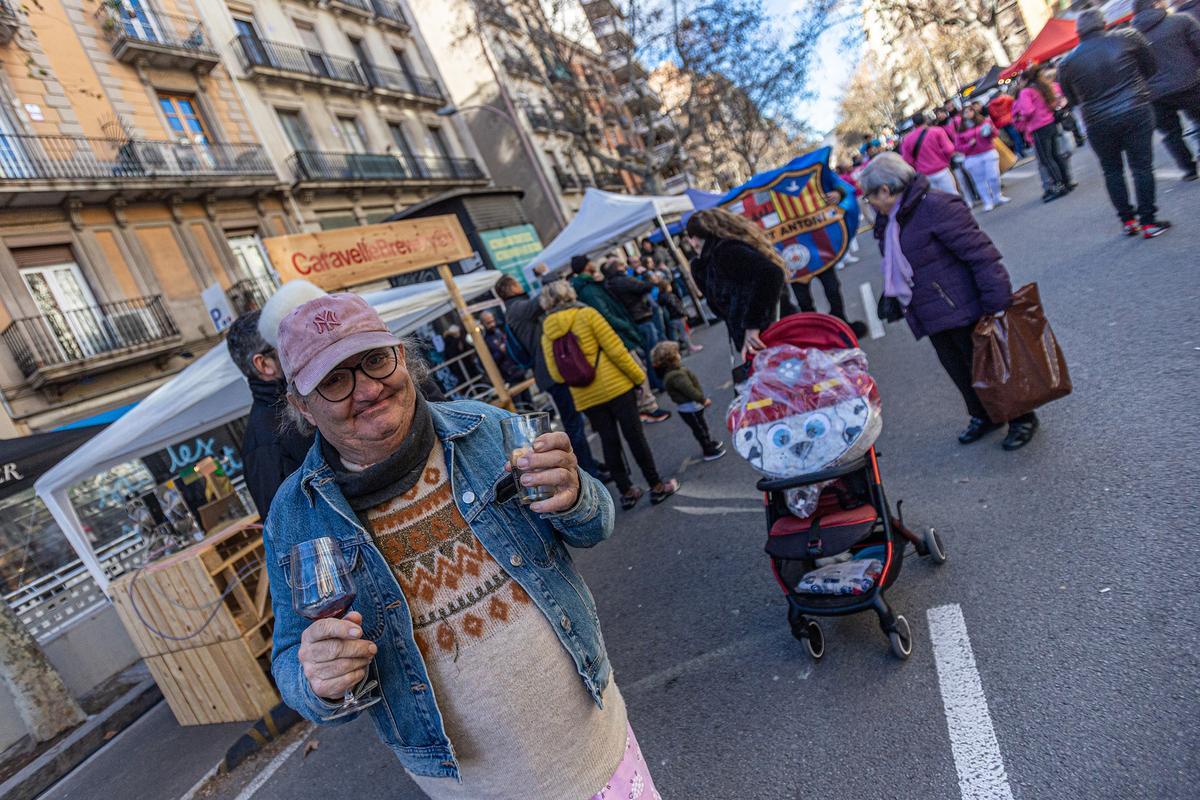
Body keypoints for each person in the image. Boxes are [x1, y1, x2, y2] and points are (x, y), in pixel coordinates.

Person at [263, 292, 661, 800]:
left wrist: (578, 494)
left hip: (593, 744)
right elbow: (289, 659)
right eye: (336, 380)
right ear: (303, 404)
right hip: (470, 788)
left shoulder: (487, 430)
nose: (367, 390)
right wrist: (318, 680)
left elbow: (596, 523)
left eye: (375, 361)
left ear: (402, 357)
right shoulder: (293, 515)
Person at [859, 152, 1038, 451]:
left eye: (870, 197)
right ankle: (984, 415)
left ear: (886, 190)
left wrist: (997, 301)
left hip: (963, 305)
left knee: (988, 366)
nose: (870, 203)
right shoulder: (891, 219)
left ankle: (1021, 417)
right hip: (932, 308)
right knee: (958, 368)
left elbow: (980, 254)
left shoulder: (936, 206)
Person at [539, 281, 679, 511]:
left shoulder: (547, 332)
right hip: (616, 386)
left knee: (608, 441)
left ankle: (627, 492)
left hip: (586, 396)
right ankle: (656, 485)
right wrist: (637, 377)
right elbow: (616, 349)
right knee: (635, 436)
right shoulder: (587, 314)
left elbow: (556, 373)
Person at [1060, 9, 1172, 237]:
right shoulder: (1128, 37)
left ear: (1079, 32)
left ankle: (1128, 221)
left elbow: (1071, 98)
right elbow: (1151, 66)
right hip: (1135, 108)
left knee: (1112, 171)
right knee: (1141, 167)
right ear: (1103, 23)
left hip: (1097, 120)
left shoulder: (1067, 63)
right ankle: (1148, 221)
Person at [495, 275, 603, 481]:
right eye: (518, 282)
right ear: (510, 288)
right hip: (552, 374)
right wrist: (545, 277)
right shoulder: (517, 307)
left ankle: (589, 465)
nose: (521, 284)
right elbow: (546, 297)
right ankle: (589, 472)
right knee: (574, 423)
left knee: (575, 421)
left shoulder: (515, 308)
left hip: (551, 373)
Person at [225, 311, 312, 516]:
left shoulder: (303, 400)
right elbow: (288, 526)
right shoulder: (265, 442)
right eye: (287, 343)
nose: (301, 346)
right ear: (264, 364)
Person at [569, 255, 670, 424]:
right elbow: (605, 314)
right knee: (638, 369)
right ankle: (648, 407)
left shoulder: (590, 285)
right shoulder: (589, 289)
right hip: (617, 335)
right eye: (590, 262)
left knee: (637, 369)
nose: (594, 264)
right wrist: (626, 326)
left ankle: (644, 407)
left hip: (618, 333)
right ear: (586, 266)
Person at [685, 208, 786, 361]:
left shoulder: (726, 250)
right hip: (760, 339)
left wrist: (752, 325)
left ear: (695, 237)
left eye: (691, 237)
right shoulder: (711, 258)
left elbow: (771, 273)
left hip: (769, 335)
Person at [1132, 0, 1200, 181]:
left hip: (1154, 94)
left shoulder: (1129, 38)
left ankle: (1188, 168)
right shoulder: (1181, 21)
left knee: (1170, 134)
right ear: (1155, 4)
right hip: (1190, 82)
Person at [650, 341, 725, 461]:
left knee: (702, 426)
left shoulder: (676, 372)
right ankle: (708, 450)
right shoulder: (675, 375)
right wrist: (702, 400)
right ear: (672, 359)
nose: (679, 355)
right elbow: (689, 390)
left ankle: (709, 443)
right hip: (690, 407)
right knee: (699, 429)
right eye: (677, 353)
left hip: (691, 407)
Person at [602, 259, 665, 393]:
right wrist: (650, 278)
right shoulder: (621, 280)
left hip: (635, 317)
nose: (625, 266)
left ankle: (655, 382)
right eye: (621, 264)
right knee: (652, 352)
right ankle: (658, 382)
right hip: (640, 316)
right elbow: (643, 286)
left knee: (648, 352)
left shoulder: (611, 283)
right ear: (617, 268)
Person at [1014, 64, 1073, 202]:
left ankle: (1059, 186)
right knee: (1056, 155)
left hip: (1038, 127)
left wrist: (1021, 116)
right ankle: (1067, 181)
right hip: (1050, 123)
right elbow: (1053, 103)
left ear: (1025, 79)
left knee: (1047, 159)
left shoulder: (1026, 92)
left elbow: (1027, 111)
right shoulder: (1043, 87)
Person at [953, 104, 1012, 211]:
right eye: (965, 112)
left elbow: (995, 134)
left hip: (988, 152)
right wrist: (969, 145)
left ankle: (997, 196)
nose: (968, 113)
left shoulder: (984, 122)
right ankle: (988, 201)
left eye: (970, 111)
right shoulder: (960, 130)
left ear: (973, 111)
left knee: (993, 176)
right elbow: (957, 147)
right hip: (972, 157)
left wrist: (991, 130)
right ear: (962, 115)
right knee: (980, 181)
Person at [899, 111, 960, 195]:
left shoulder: (907, 139)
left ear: (914, 124)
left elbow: (907, 160)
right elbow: (949, 150)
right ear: (925, 119)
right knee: (953, 195)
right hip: (942, 170)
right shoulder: (937, 131)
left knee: (937, 201)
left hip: (925, 176)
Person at [478, 310, 526, 385]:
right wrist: (500, 352)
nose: (492, 324)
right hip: (507, 374)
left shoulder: (498, 331)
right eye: (488, 323)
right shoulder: (484, 340)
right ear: (482, 324)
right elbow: (487, 362)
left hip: (517, 368)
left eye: (493, 321)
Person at [989, 88, 1028, 159]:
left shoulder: (991, 106)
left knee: (1008, 139)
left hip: (1001, 123)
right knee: (1016, 136)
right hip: (1010, 120)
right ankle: (1019, 151)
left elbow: (993, 116)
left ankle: (1016, 152)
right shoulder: (1007, 99)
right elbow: (1014, 107)